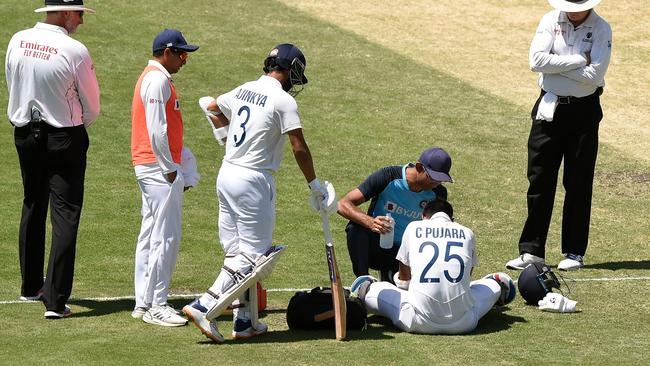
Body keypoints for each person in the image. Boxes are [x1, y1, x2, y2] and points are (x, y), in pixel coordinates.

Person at [182, 43, 332, 343]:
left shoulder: (245, 88)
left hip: (227, 174)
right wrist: (314, 185)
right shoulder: (283, 101)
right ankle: (204, 305)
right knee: (254, 257)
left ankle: (245, 321)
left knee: (238, 253)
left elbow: (211, 105)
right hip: (253, 180)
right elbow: (299, 147)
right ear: (290, 71)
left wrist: (225, 137)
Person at [5, 0, 100, 319]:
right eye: (79, 14)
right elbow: (92, 106)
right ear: (64, 12)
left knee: (32, 202)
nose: (81, 22)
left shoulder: (17, 39)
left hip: (24, 132)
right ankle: (56, 300)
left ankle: (32, 285)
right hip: (64, 137)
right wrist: (72, 126)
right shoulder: (75, 51)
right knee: (66, 214)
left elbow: (11, 82)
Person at [506, 0, 612, 271]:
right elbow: (536, 61)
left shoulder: (601, 28)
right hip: (549, 108)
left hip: (584, 114)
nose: (571, 11)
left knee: (577, 182)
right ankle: (532, 251)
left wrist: (556, 66)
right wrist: (578, 59)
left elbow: (595, 75)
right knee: (539, 178)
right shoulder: (550, 20)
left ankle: (574, 252)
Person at [350, 199, 516, 335]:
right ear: (452, 219)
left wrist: (405, 286)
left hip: (415, 320)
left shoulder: (414, 227)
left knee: (372, 287)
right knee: (494, 284)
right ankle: (500, 284)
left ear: (424, 216)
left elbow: (404, 279)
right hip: (464, 323)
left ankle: (363, 290)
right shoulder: (467, 232)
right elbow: (467, 278)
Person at [130, 29, 199, 327]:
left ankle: (142, 302)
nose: (185, 60)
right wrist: (169, 169)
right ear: (167, 52)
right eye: (181, 54)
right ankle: (157, 303)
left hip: (151, 165)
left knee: (151, 233)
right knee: (165, 237)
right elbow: (157, 129)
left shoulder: (155, 78)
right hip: (158, 169)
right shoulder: (157, 80)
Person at [337, 147, 451, 282]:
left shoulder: (438, 194)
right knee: (356, 227)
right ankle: (363, 282)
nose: (435, 184)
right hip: (376, 246)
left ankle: (392, 276)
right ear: (419, 167)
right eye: (432, 178)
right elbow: (343, 204)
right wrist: (370, 222)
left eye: (440, 180)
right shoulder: (388, 176)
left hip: (406, 256)